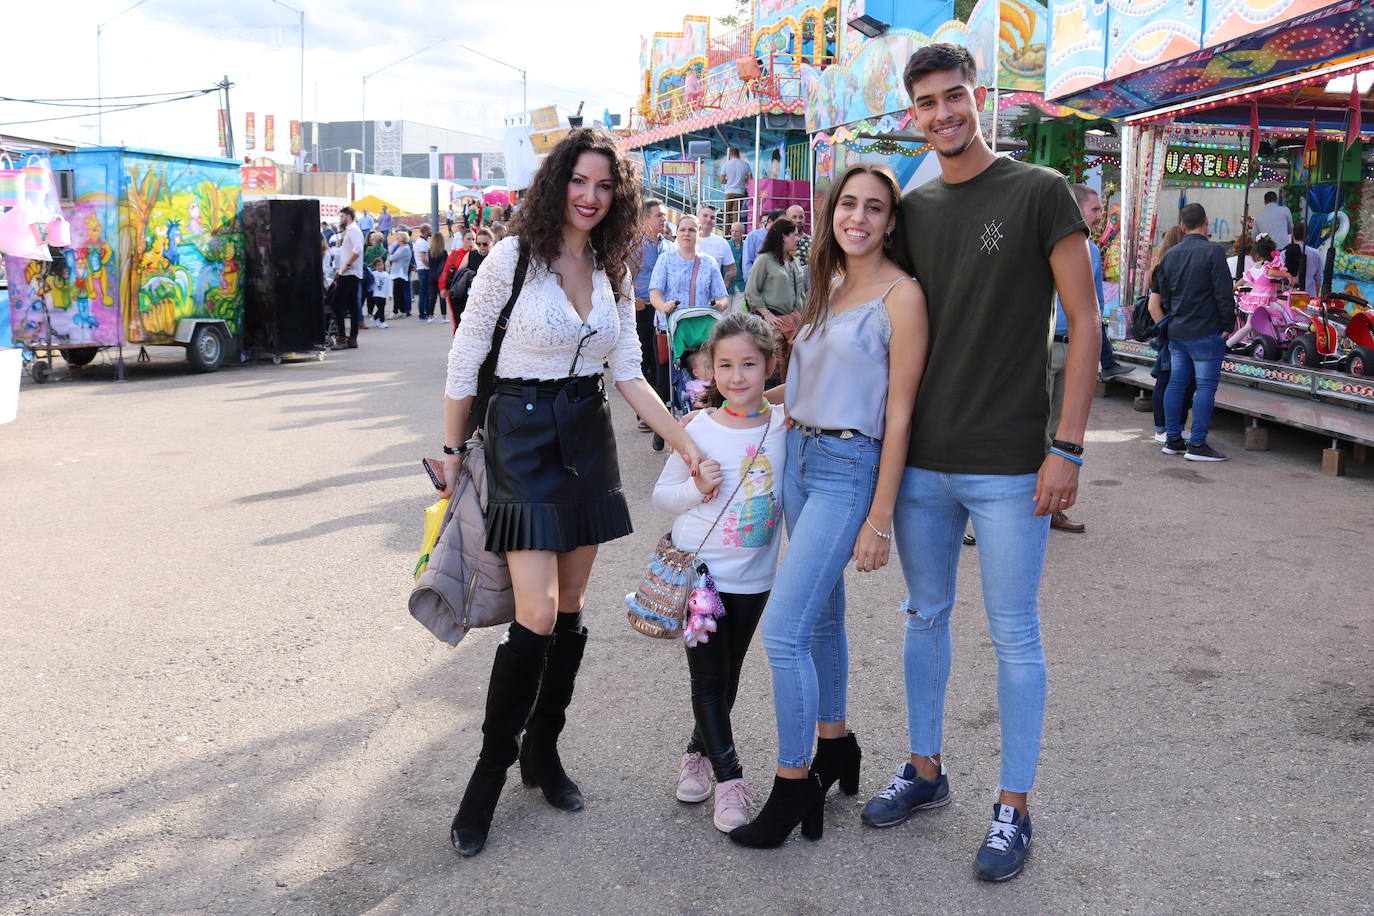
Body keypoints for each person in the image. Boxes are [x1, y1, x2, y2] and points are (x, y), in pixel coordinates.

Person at [441, 127, 703, 858]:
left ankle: (543, 751)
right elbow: (465, 357)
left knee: (570, 611)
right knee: (533, 611)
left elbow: (629, 374)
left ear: (616, 196)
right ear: (559, 182)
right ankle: (488, 774)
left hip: (586, 439)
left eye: (604, 185)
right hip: (520, 437)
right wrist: (453, 449)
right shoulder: (512, 258)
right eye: (579, 181)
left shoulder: (614, 268)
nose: (590, 197)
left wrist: (685, 441)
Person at [872, 43, 1100, 883]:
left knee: (1015, 636)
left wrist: (1066, 447)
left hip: (1011, 464)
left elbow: (1084, 321)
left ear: (981, 97)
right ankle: (926, 771)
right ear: (914, 114)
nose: (943, 113)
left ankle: (1013, 807)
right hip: (925, 464)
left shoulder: (1041, 191)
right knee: (923, 618)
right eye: (926, 102)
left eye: (955, 96)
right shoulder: (915, 208)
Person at [728, 163, 927, 849]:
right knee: (818, 619)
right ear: (831, 212)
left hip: (849, 469)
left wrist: (880, 519)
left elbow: (898, 415)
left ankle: (793, 786)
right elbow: (806, 390)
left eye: (875, 208)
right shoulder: (831, 284)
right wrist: (739, 406)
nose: (859, 218)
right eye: (849, 204)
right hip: (799, 459)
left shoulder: (902, 296)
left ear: (891, 221)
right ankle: (835, 745)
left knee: (782, 630)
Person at [653, 312, 788, 833]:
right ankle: (730, 782)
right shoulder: (697, 428)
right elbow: (662, 495)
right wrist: (697, 487)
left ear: (769, 367)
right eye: (725, 365)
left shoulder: (782, 426)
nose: (737, 377)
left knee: (727, 676)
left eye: (749, 365)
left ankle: (697, 752)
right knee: (707, 679)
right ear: (710, 369)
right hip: (701, 577)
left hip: (754, 578)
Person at [1151, 202, 1234, 461]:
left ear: (1183, 226)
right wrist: (1227, 325)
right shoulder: (1214, 252)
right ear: (1206, 222)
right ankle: (1197, 444)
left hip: (1178, 330)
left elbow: (1162, 295)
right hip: (1206, 330)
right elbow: (1224, 293)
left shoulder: (1170, 255)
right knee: (1205, 387)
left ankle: (1173, 439)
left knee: (1176, 383)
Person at [744, 217, 805, 376]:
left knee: (797, 363)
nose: (797, 239)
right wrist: (767, 314)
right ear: (784, 236)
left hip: (794, 321)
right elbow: (751, 291)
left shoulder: (795, 261)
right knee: (777, 364)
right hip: (773, 322)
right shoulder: (764, 259)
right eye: (795, 235)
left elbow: (801, 292)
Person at [649, 215, 730, 332]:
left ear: (700, 234)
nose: (686, 233)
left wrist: (720, 305)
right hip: (671, 329)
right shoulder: (665, 259)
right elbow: (654, 294)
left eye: (692, 230)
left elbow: (723, 297)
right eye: (682, 229)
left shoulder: (709, 262)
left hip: (702, 330)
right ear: (677, 233)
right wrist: (664, 306)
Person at [1147, 226, 1191, 441]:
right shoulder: (1166, 268)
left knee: (1171, 379)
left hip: (1170, 327)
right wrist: (1165, 327)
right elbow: (1153, 305)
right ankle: (1163, 428)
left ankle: (1169, 427)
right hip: (1172, 329)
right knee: (1167, 378)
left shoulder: (1161, 265)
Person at [633, 198, 668, 420]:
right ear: (645, 219)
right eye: (659, 215)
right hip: (643, 310)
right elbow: (617, 276)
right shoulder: (633, 246)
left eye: (664, 215)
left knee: (661, 362)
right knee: (644, 360)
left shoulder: (669, 245)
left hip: (664, 311)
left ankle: (659, 412)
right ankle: (644, 414)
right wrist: (633, 298)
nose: (664, 219)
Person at [1226, 235, 1292, 349]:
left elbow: (1244, 279)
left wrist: (1235, 287)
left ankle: (1257, 344)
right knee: (1250, 325)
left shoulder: (1256, 267)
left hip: (1261, 299)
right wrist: (1287, 275)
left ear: (1257, 255)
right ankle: (1228, 344)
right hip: (1263, 300)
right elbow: (1271, 273)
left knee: (1256, 325)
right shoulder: (1268, 267)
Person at [333, 206, 365, 350]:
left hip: (349, 273)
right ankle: (352, 338)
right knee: (352, 306)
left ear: (348, 216)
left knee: (337, 303)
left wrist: (346, 265)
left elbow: (358, 248)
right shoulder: (351, 230)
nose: (341, 219)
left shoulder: (353, 229)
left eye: (342, 216)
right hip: (350, 272)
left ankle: (342, 337)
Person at [696, 205, 737, 291]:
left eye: (712, 217)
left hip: (712, 297)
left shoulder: (722, 242)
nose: (708, 219)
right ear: (697, 217)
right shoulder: (685, 238)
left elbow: (731, 270)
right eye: (705, 216)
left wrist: (722, 289)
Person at [1283, 221, 1323, 297]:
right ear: (1307, 236)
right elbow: (1318, 278)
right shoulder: (1316, 253)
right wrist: (1316, 297)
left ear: (1292, 235)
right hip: (1309, 296)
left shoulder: (1284, 253)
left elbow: (1279, 277)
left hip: (1288, 296)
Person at [742, 210, 783, 281]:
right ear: (770, 221)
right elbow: (747, 261)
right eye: (781, 222)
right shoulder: (754, 236)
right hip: (758, 281)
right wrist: (750, 281)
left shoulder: (783, 236)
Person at [720, 147, 752, 228]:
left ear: (730, 155)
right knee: (736, 215)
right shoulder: (745, 165)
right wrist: (741, 181)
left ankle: (726, 233)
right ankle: (735, 232)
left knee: (727, 214)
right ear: (739, 154)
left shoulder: (726, 164)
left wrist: (730, 181)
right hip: (740, 192)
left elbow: (722, 180)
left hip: (729, 192)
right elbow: (750, 180)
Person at [388, 229, 413, 318]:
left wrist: (389, 253)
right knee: (400, 293)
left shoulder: (403, 249)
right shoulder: (404, 248)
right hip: (400, 273)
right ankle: (401, 310)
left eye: (397, 239)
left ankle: (396, 311)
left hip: (399, 273)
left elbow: (392, 257)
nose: (396, 240)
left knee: (397, 293)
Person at [413, 224, 434, 322]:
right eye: (430, 230)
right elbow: (423, 258)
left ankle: (424, 312)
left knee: (424, 292)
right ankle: (423, 313)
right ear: (425, 231)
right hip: (424, 269)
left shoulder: (422, 241)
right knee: (424, 293)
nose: (431, 231)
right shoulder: (423, 243)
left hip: (422, 269)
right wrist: (430, 266)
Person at [429, 229, 448, 319]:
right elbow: (447, 264)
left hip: (432, 274)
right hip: (441, 275)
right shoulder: (443, 252)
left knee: (432, 296)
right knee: (442, 296)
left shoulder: (430, 252)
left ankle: (430, 315)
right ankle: (443, 316)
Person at [785, 204, 811, 269]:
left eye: (801, 217)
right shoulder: (782, 240)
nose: (798, 220)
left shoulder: (812, 241)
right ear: (786, 218)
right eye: (794, 217)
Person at [728, 221, 748, 303]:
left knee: (737, 313)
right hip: (727, 284)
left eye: (736, 231)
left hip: (741, 285)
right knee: (724, 313)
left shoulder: (746, 246)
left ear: (742, 233)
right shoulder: (726, 244)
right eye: (732, 231)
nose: (734, 233)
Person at [368, 257, 390, 328]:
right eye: (378, 265)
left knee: (382, 307)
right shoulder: (373, 274)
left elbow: (389, 285)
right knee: (381, 308)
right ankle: (382, 322)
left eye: (381, 264)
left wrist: (390, 294)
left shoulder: (386, 274)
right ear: (375, 267)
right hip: (376, 294)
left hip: (383, 294)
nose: (380, 266)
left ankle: (374, 318)